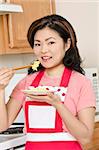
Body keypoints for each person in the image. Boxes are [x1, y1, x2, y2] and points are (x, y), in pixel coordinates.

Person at [0, 14, 96, 150]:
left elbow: (85, 138)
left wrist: (57, 104)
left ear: (67, 44)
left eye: (51, 42)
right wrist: (1, 89)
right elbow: (2, 125)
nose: (43, 50)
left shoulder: (81, 83)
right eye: (37, 44)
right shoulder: (27, 82)